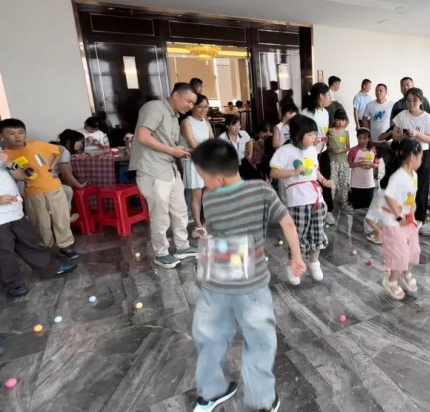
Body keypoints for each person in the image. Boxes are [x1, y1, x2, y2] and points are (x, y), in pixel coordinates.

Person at [189, 139, 303, 412]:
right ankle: (263, 400)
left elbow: (216, 235)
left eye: (203, 177)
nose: (203, 183)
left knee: (209, 336)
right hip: (251, 285)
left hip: (216, 282)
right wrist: (296, 257)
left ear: (218, 178)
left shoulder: (210, 198)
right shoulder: (261, 189)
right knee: (259, 340)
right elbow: (287, 222)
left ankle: (210, 392)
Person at [0, 123, 77, 297]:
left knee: (30, 244)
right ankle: (13, 283)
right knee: (3, 254)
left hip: (15, 214)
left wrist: (9, 162)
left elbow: (22, 175)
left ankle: (50, 268)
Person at [130, 82, 199, 269]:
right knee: (160, 215)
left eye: (193, 103)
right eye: (189, 101)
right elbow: (143, 137)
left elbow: (168, 144)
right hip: (152, 169)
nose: (190, 106)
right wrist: (171, 150)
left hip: (169, 168)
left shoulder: (174, 116)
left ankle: (182, 246)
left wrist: (180, 151)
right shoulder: (154, 108)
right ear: (176, 95)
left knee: (180, 209)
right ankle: (161, 253)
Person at [0, 119, 80, 260]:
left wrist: (52, 165)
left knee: (61, 219)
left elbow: (60, 150)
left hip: (54, 188)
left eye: (21, 132)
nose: (17, 136)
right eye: (11, 133)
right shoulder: (5, 155)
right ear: (2, 136)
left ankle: (65, 246)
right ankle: (46, 248)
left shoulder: (36, 144)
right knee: (41, 223)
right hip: (33, 193)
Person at [269, 115, 334, 285]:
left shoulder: (312, 150)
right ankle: (293, 265)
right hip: (298, 200)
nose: (314, 138)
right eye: (310, 134)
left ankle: (314, 262)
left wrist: (324, 180)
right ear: (298, 134)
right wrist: (292, 173)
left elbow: (314, 169)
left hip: (316, 197)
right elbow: (274, 172)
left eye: (315, 134)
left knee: (318, 232)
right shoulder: (284, 151)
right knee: (297, 235)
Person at [380, 138, 423, 300]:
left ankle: (406, 272)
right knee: (399, 254)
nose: (421, 161)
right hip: (394, 222)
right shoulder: (398, 176)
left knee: (413, 250)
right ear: (413, 157)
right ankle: (391, 280)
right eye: (420, 157)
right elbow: (389, 196)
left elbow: (411, 195)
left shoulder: (414, 175)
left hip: (408, 220)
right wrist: (399, 216)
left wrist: (413, 208)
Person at [392, 87, 430, 223]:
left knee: (420, 186)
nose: (411, 103)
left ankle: (419, 218)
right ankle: (403, 214)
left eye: (414, 100)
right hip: (405, 152)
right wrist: (402, 136)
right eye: (408, 100)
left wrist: (416, 134)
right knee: (404, 184)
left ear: (421, 101)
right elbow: (394, 135)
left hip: (421, 154)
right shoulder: (402, 115)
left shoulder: (427, 118)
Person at [301, 83, 336, 225]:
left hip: (323, 151)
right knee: (310, 180)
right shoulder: (305, 113)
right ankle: (310, 210)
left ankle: (328, 210)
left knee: (326, 179)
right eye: (328, 95)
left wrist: (328, 133)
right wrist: (310, 139)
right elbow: (299, 134)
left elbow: (323, 131)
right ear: (321, 96)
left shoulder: (325, 112)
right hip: (308, 153)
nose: (330, 98)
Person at [180, 94, 214, 239]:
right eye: (201, 106)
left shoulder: (206, 123)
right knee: (196, 196)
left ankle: (204, 223)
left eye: (206, 107)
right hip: (193, 163)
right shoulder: (186, 122)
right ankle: (198, 227)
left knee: (207, 195)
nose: (204, 110)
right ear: (192, 106)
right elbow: (193, 144)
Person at [56, 129, 88, 220]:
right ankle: (66, 218)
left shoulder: (61, 149)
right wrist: (79, 185)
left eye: (82, 142)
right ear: (69, 141)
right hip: (44, 184)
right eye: (79, 142)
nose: (81, 145)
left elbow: (66, 173)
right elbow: (65, 173)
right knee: (68, 190)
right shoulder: (64, 151)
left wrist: (73, 183)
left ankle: (63, 218)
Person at [219, 115, 260, 180]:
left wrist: (250, 153)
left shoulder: (243, 133)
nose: (237, 128)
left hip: (242, 161)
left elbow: (250, 141)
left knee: (257, 177)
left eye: (239, 125)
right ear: (227, 126)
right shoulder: (222, 138)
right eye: (234, 125)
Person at [348, 128, 379, 210]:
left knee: (368, 209)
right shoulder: (353, 150)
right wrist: (358, 164)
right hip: (356, 184)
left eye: (364, 138)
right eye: (360, 138)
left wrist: (371, 165)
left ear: (369, 139)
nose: (362, 140)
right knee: (357, 208)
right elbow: (349, 164)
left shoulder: (373, 150)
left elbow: (377, 164)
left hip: (369, 184)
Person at [327, 110, 351, 212]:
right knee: (332, 181)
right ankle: (330, 202)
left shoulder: (346, 133)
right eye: (339, 120)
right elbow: (325, 145)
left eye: (343, 120)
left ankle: (344, 201)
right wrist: (330, 149)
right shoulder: (330, 131)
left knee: (344, 181)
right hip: (332, 161)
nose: (341, 122)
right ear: (334, 120)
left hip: (343, 161)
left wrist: (342, 150)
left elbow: (348, 147)